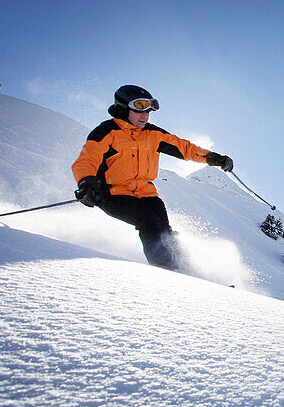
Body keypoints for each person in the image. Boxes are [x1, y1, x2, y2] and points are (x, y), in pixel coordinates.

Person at [72, 84, 235, 270]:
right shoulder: (107, 132)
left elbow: (185, 148)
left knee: (165, 230)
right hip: (112, 194)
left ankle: (187, 270)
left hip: (145, 193)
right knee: (147, 221)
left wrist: (213, 158)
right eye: (139, 110)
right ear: (124, 108)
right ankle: (165, 270)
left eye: (148, 111)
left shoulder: (152, 134)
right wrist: (86, 183)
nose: (145, 116)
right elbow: (87, 160)